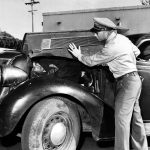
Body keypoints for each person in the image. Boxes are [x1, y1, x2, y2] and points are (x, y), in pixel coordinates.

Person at [68, 18, 148, 150]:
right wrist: (118, 61)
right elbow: (137, 52)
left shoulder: (111, 47)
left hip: (126, 82)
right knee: (135, 118)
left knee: (121, 121)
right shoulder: (123, 39)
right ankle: (142, 147)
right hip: (134, 80)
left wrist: (79, 55)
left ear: (106, 31)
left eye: (97, 32)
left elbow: (91, 62)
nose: (95, 35)